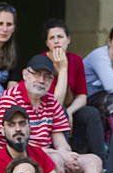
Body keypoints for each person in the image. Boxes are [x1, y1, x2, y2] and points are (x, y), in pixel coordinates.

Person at [0, 53, 102, 173]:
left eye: (47, 76)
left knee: (93, 161)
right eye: (36, 74)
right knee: (55, 160)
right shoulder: (9, 100)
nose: (41, 80)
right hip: (13, 161)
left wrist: (67, 155)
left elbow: (60, 141)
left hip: (46, 160)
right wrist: (58, 154)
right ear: (25, 75)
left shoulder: (51, 101)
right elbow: (16, 146)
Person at [44, 19, 104, 157]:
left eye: (60, 37)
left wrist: (70, 111)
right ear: (47, 43)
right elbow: (55, 103)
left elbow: (82, 95)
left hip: (68, 108)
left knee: (91, 113)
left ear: (68, 39)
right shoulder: (42, 61)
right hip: (47, 112)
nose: (57, 41)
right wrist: (61, 68)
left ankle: (102, 162)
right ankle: (67, 158)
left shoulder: (76, 60)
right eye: (52, 38)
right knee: (62, 112)